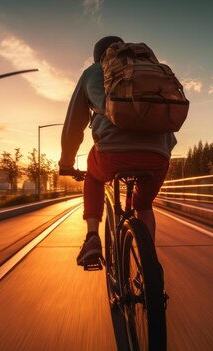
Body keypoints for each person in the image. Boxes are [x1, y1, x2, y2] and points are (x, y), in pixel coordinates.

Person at [58, 36, 177, 267]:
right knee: (143, 206)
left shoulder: (93, 72)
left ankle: (92, 238)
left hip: (113, 153)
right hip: (158, 155)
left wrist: (67, 163)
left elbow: (74, 124)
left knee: (93, 177)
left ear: (99, 58)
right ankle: (148, 262)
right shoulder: (150, 68)